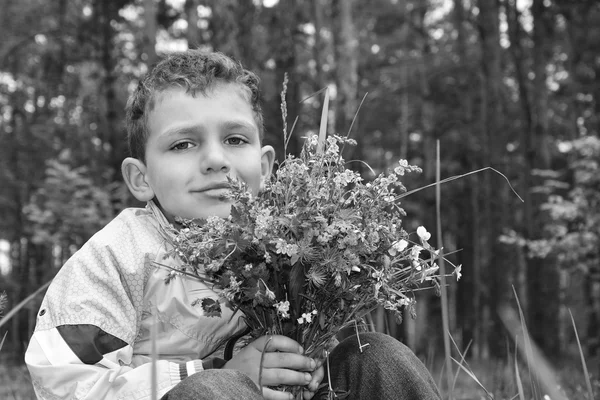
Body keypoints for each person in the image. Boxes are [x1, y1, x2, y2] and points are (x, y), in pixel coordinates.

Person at [25, 50, 441, 400]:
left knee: (377, 355)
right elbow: (66, 383)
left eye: (235, 140)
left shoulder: (294, 241)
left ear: (264, 167)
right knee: (212, 391)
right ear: (141, 178)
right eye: (182, 143)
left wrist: (308, 366)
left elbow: (316, 338)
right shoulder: (117, 256)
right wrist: (214, 372)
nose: (215, 159)